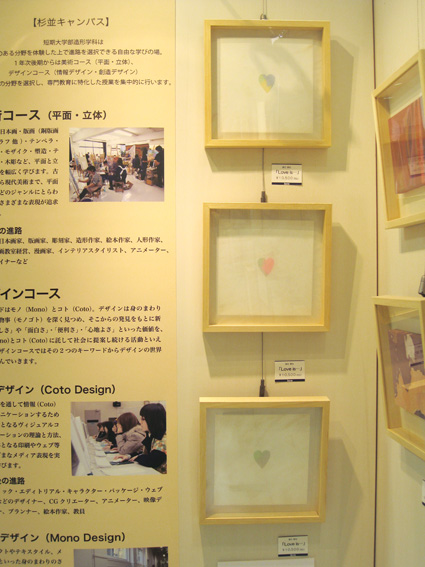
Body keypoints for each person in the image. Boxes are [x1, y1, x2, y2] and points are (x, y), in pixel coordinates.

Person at [133, 403, 166, 473]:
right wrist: (129, 456)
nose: (140, 422)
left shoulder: (163, 439)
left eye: (143, 419)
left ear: (153, 420)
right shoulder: (152, 435)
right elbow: (145, 454)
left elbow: (152, 460)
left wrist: (137, 458)